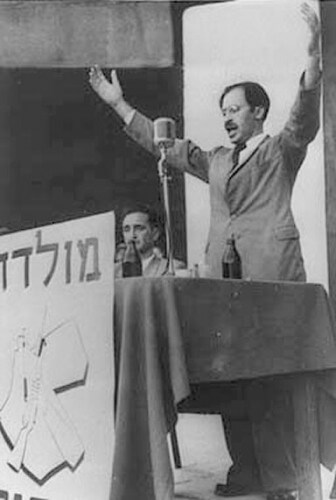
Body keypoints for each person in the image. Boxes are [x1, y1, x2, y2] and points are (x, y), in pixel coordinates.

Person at [89, 3, 321, 499]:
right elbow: (165, 147)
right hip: (224, 282)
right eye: (223, 112)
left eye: (234, 109)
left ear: (258, 111)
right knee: (233, 377)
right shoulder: (215, 160)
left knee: (274, 382)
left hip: (272, 276)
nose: (227, 118)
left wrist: (314, 65)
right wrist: (119, 105)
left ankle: (282, 482)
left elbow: (303, 118)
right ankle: (246, 473)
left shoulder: (281, 150)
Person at [115, 204, 185, 278]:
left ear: (155, 234)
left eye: (139, 228)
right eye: (127, 229)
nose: (132, 235)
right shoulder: (113, 272)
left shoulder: (171, 268)